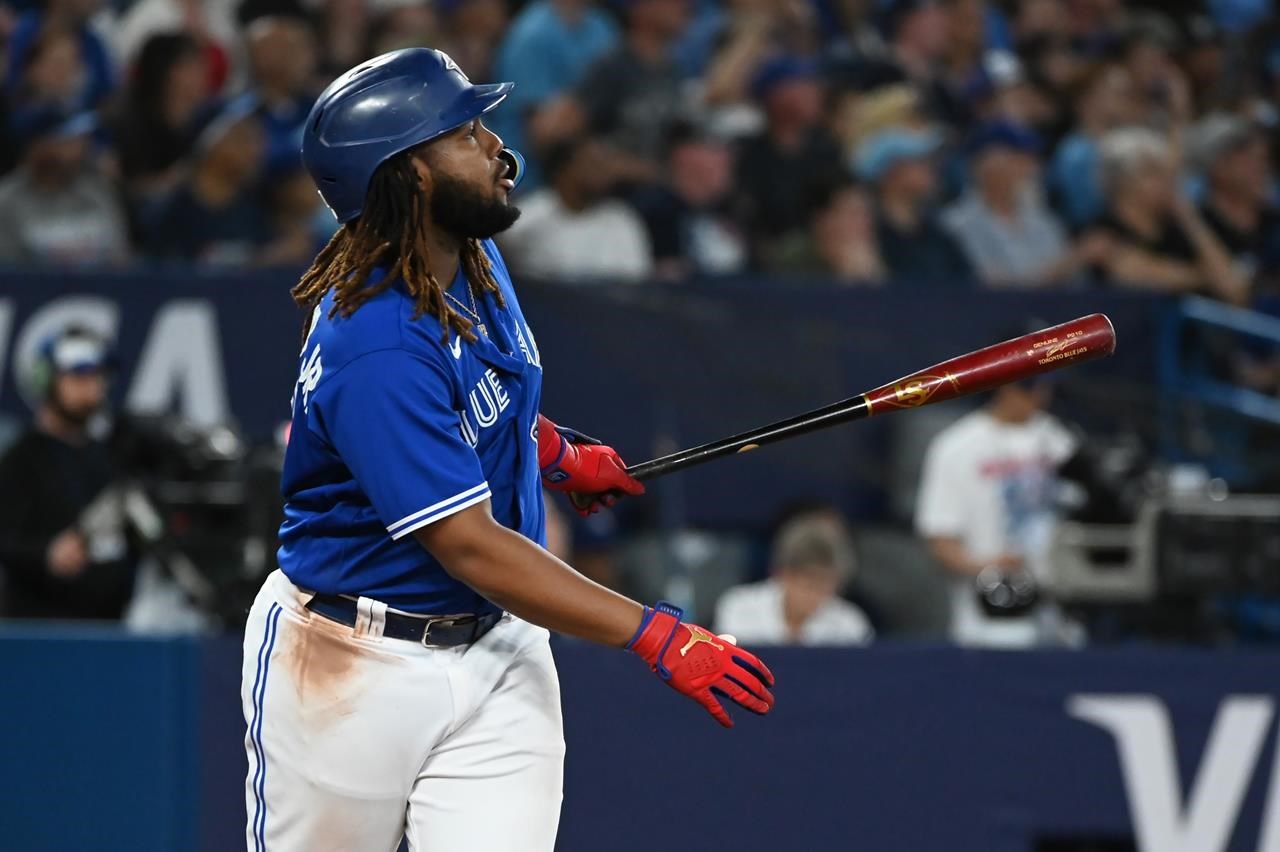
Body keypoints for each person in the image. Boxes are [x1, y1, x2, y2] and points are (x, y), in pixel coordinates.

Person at [242, 48, 775, 852]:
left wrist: (557, 454)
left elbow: (480, 407)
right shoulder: (377, 344)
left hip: (499, 648)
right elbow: (467, 545)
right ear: (411, 177)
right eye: (465, 132)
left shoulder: (470, 256)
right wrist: (654, 634)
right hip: (353, 665)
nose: (498, 147)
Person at [915, 377, 1076, 647]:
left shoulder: (1061, 441)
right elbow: (939, 540)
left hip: (1060, 609)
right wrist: (990, 566)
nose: (1037, 397)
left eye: (1042, 387)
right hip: (988, 612)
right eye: (1028, 387)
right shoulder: (956, 446)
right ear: (1004, 385)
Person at [0, 326, 137, 620]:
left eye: (97, 376)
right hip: (40, 631)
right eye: (78, 376)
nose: (91, 387)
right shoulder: (20, 459)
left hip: (111, 630)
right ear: (48, 380)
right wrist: (47, 555)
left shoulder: (109, 456)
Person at [1085, 126, 1248, 304]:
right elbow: (1139, 273)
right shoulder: (1104, 232)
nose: (1169, 181)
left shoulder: (1178, 230)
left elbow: (1234, 290)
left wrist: (1189, 218)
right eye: (1154, 172)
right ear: (1122, 181)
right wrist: (1206, 276)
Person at [941, 120, 1094, 287]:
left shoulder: (1043, 220)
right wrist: (1067, 263)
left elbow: (1073, 284)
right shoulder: (955, 224)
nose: (1029, 167)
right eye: (1017, 157)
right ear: (984, 162)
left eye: (1030, 159)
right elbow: (990, 285)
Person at [498, 136, 653, 282]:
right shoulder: (530, 214)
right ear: (565, 170)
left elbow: (636, 282)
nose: (604, 173)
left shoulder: (622, 218)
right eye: (594, 165)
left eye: (604, 165)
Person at [143, 95, 273, 264]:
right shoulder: (168, 216)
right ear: (209, 146)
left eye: (258, 139)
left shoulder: (259, 210)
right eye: (243, 139)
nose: (256, 150)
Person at [714, 512, 874, 646]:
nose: (818, 595)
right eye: (811, 584)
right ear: (784, 574)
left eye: (827, 585)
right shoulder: (739, 607)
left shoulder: (850, 624)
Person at [0, 107, 129, 265]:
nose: (80, 147)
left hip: (98, 288)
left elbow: (121, 259)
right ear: (36, 146)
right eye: (67, 140)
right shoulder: (7, 199)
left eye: (81, 139)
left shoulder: (98, 190)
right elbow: (7, 272)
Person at [856, 126, 974, 284]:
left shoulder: (938, 233)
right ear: (892, 173)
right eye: (920, 161)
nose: (932, 168)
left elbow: (968, 283)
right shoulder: (867, 234)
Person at [631, 120, 746, 280]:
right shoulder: (651, 215)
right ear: (684, 155)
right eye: (717, 149)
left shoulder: (729, 212)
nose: (729, 159)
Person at [1190, 113, 1280, 292]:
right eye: (1248, 160)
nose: (1261, 168)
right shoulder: (1195, 224)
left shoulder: (1273, 220)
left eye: (1262, 159)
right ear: (1217, 167)